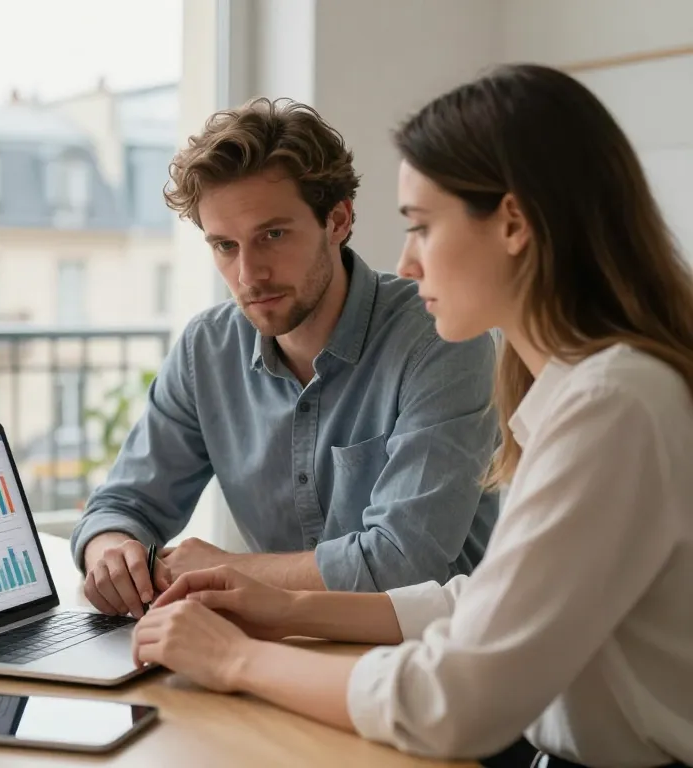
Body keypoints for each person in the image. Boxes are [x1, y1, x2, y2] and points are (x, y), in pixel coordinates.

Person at [130, 63, 693, 768]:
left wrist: (234, 658)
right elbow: (489, 601)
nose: (406, 263)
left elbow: (453, 704)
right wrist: (283, 607)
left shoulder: (614, 405)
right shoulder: (584, 388)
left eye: (422, 228)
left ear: (513, 224)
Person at [70, 97, 501, 619]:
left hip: (426, 651)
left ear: (337, 220)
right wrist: (113, 554)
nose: (249, 275)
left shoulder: (441, 339)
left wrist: (223, 570)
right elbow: (121, 506)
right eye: (225, 246)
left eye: (272, 235)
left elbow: (402, 563)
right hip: (273, 644)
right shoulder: (207, 350)